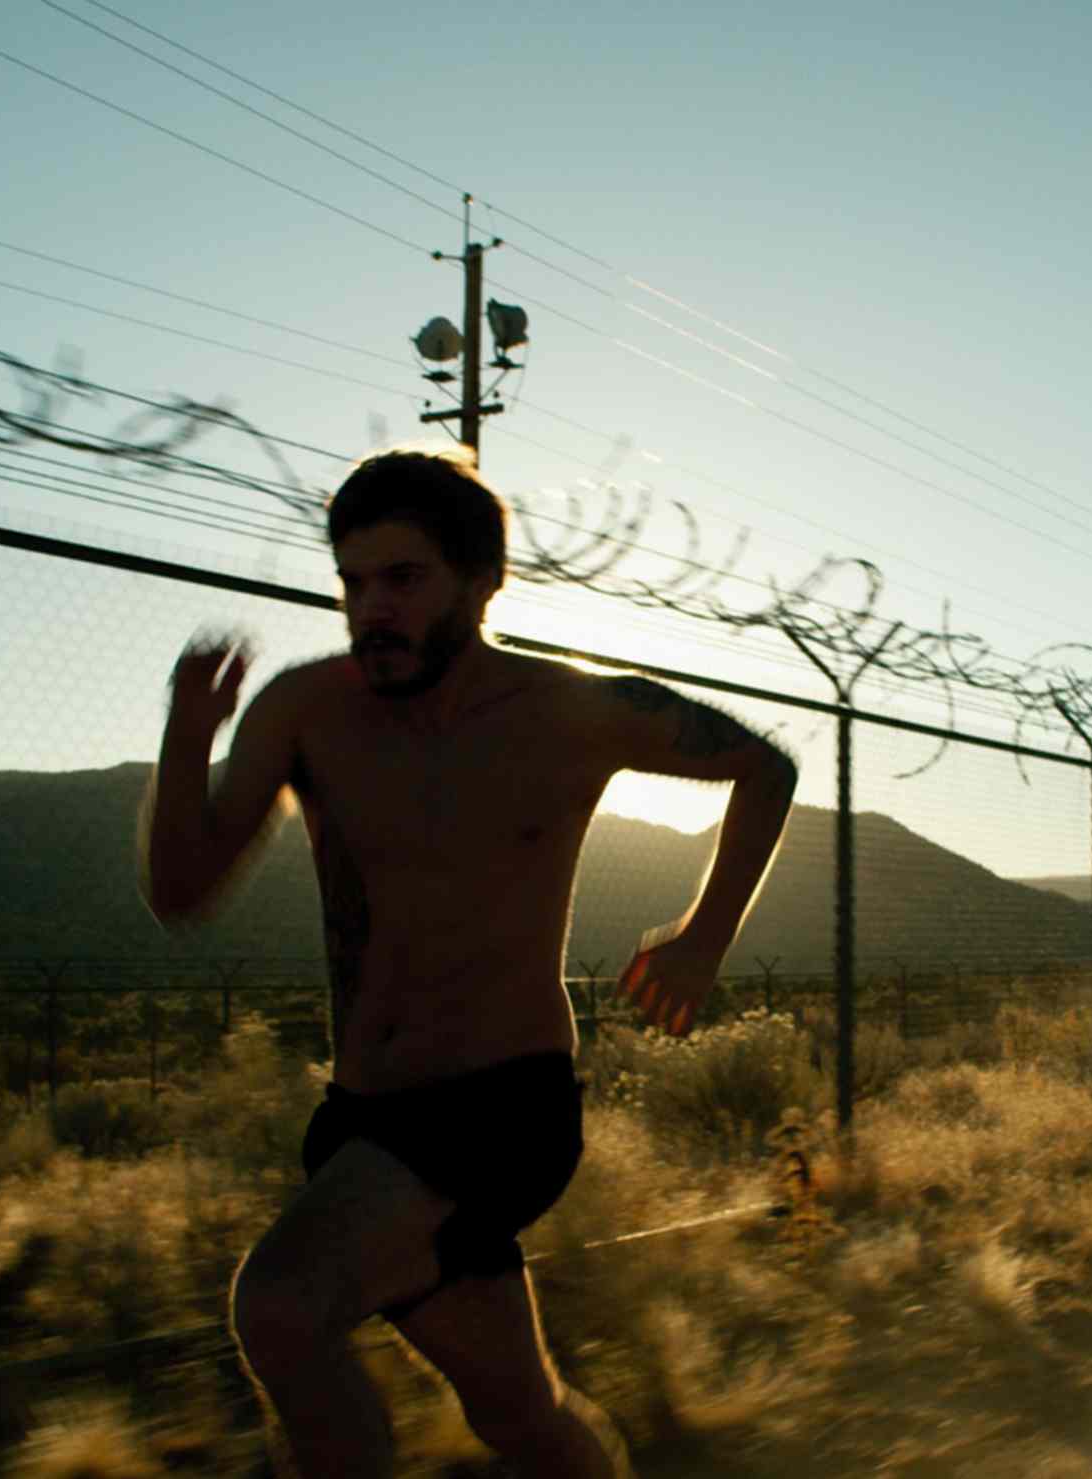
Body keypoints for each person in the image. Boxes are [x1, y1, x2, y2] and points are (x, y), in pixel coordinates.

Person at [140, 446, 797, 1478]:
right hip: (362, 1119)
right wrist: (188, 736)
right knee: (518, 1413)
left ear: (483, 582)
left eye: (404, 579)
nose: (373, 609)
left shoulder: (567, 709)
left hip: (504, 1109)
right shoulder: (306, 710)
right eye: (354, 582)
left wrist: (703, 938)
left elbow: (765, 767)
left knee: (281, 1306)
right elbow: (181, 893)